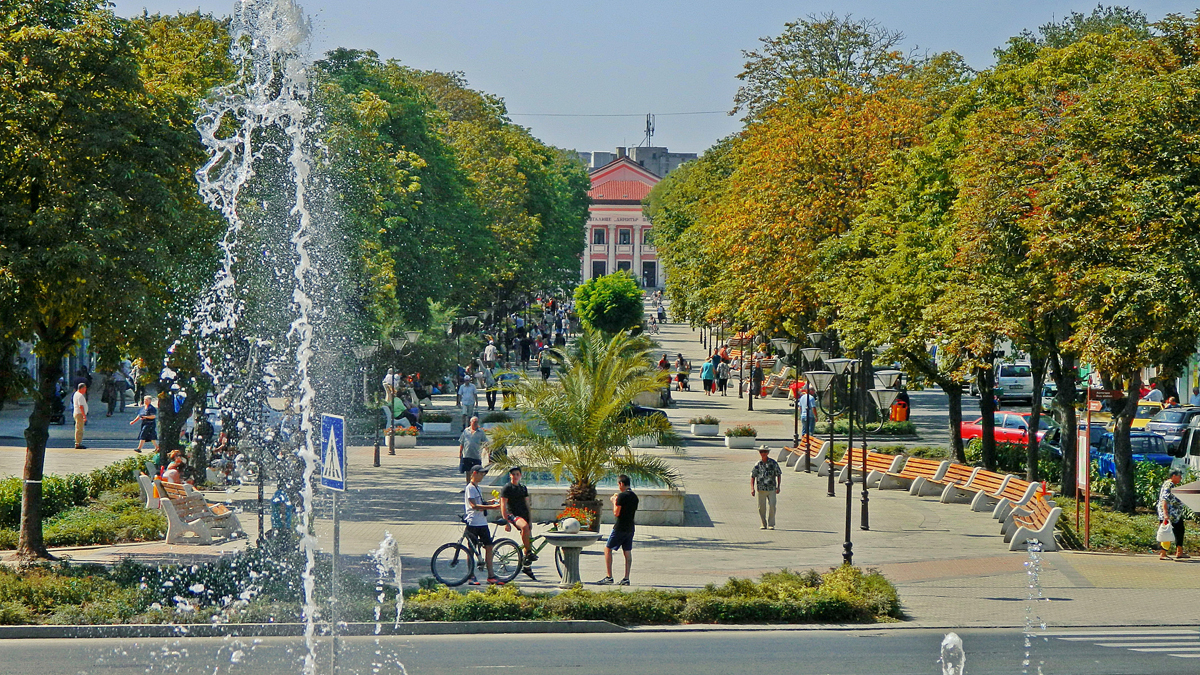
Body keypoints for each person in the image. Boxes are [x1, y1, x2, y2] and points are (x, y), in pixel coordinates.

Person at [598, 475, 639, 586]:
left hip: (620, 527)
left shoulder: (621, 496)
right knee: (627, 552)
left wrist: (614, 501)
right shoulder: (634, 497)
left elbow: (616, 513)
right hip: (630, 527)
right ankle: (626, 577)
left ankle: (609, 576)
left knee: (607, 549)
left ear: (621, 484)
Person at [464, 465, 502, 585]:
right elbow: (474, 506)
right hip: (473, 522)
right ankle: (471, 576)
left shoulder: (477, 488)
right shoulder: (470, 488)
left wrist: (489, 502)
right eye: (481, 474)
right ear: (474, 473)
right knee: (471, 549)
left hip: (482, 522)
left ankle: (491, 576)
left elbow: (480, 503)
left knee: (489, 547)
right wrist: (491, 507)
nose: (482, 476)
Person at [499, 466, 537, 578]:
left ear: (520, 475)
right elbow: (503, 505)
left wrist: (530, 520)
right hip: (513, 515)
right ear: (510, 475)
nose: (515, 476)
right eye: (513, 474)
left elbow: (527, 505)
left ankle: (527, 567)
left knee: (528, 541)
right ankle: (529, 554)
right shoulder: (507, 488)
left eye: (517, 474)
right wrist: (506, 522)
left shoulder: (523, 488)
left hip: (524, 515)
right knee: (524, 527)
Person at [1158, 469, 1191, 561]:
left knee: (1180, 530)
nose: (1180, 478)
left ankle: (1179, 551)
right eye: (1179, 476)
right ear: (1173, 476)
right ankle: (1163, 553)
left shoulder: (1170, 485)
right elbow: (1164, 500)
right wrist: (1165, 514)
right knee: (1167, 531)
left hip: (1175, 514)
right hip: (1170, 514)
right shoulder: (1169, 485)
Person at [751, 447, 783, 530]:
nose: (763, 453)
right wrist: (752, 488)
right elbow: (753, 476)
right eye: (762, 452)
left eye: (765, 451)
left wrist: (778, 486)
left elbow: (778, 474)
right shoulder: (758, 464)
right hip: (761, 489)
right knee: (761, 507)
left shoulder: (773, 463)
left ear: (768, 453)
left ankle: (771, 524)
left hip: (771, 488)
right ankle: (763, 523)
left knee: (772, 506)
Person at [72, 382, 88, 449]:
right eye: (85, 389)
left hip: (77, 413)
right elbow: (81, 406)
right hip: (79, 414)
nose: (85, 390)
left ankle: (78, 442)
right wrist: (84, 415)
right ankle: (78, 443)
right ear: (82, 388)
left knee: (79, 428)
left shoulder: (76, 394)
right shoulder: (80, 396)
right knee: (79, 429)